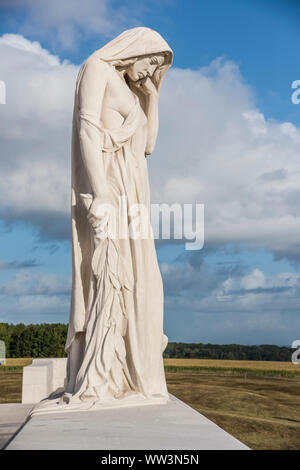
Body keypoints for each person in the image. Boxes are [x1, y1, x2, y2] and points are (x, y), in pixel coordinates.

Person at [62, 27, 173, 409]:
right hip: (111, 189)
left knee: (147, 283)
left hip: (136, 198)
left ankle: (139, 374)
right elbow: (86, 129)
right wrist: (101, 194)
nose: (149, 72)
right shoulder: (97, 68)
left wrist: (152, 98)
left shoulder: (136, 90)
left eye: (158, 68)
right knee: (112, 280)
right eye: (150, 63)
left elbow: (148, 145)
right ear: (136, 48)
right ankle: (104, 375)